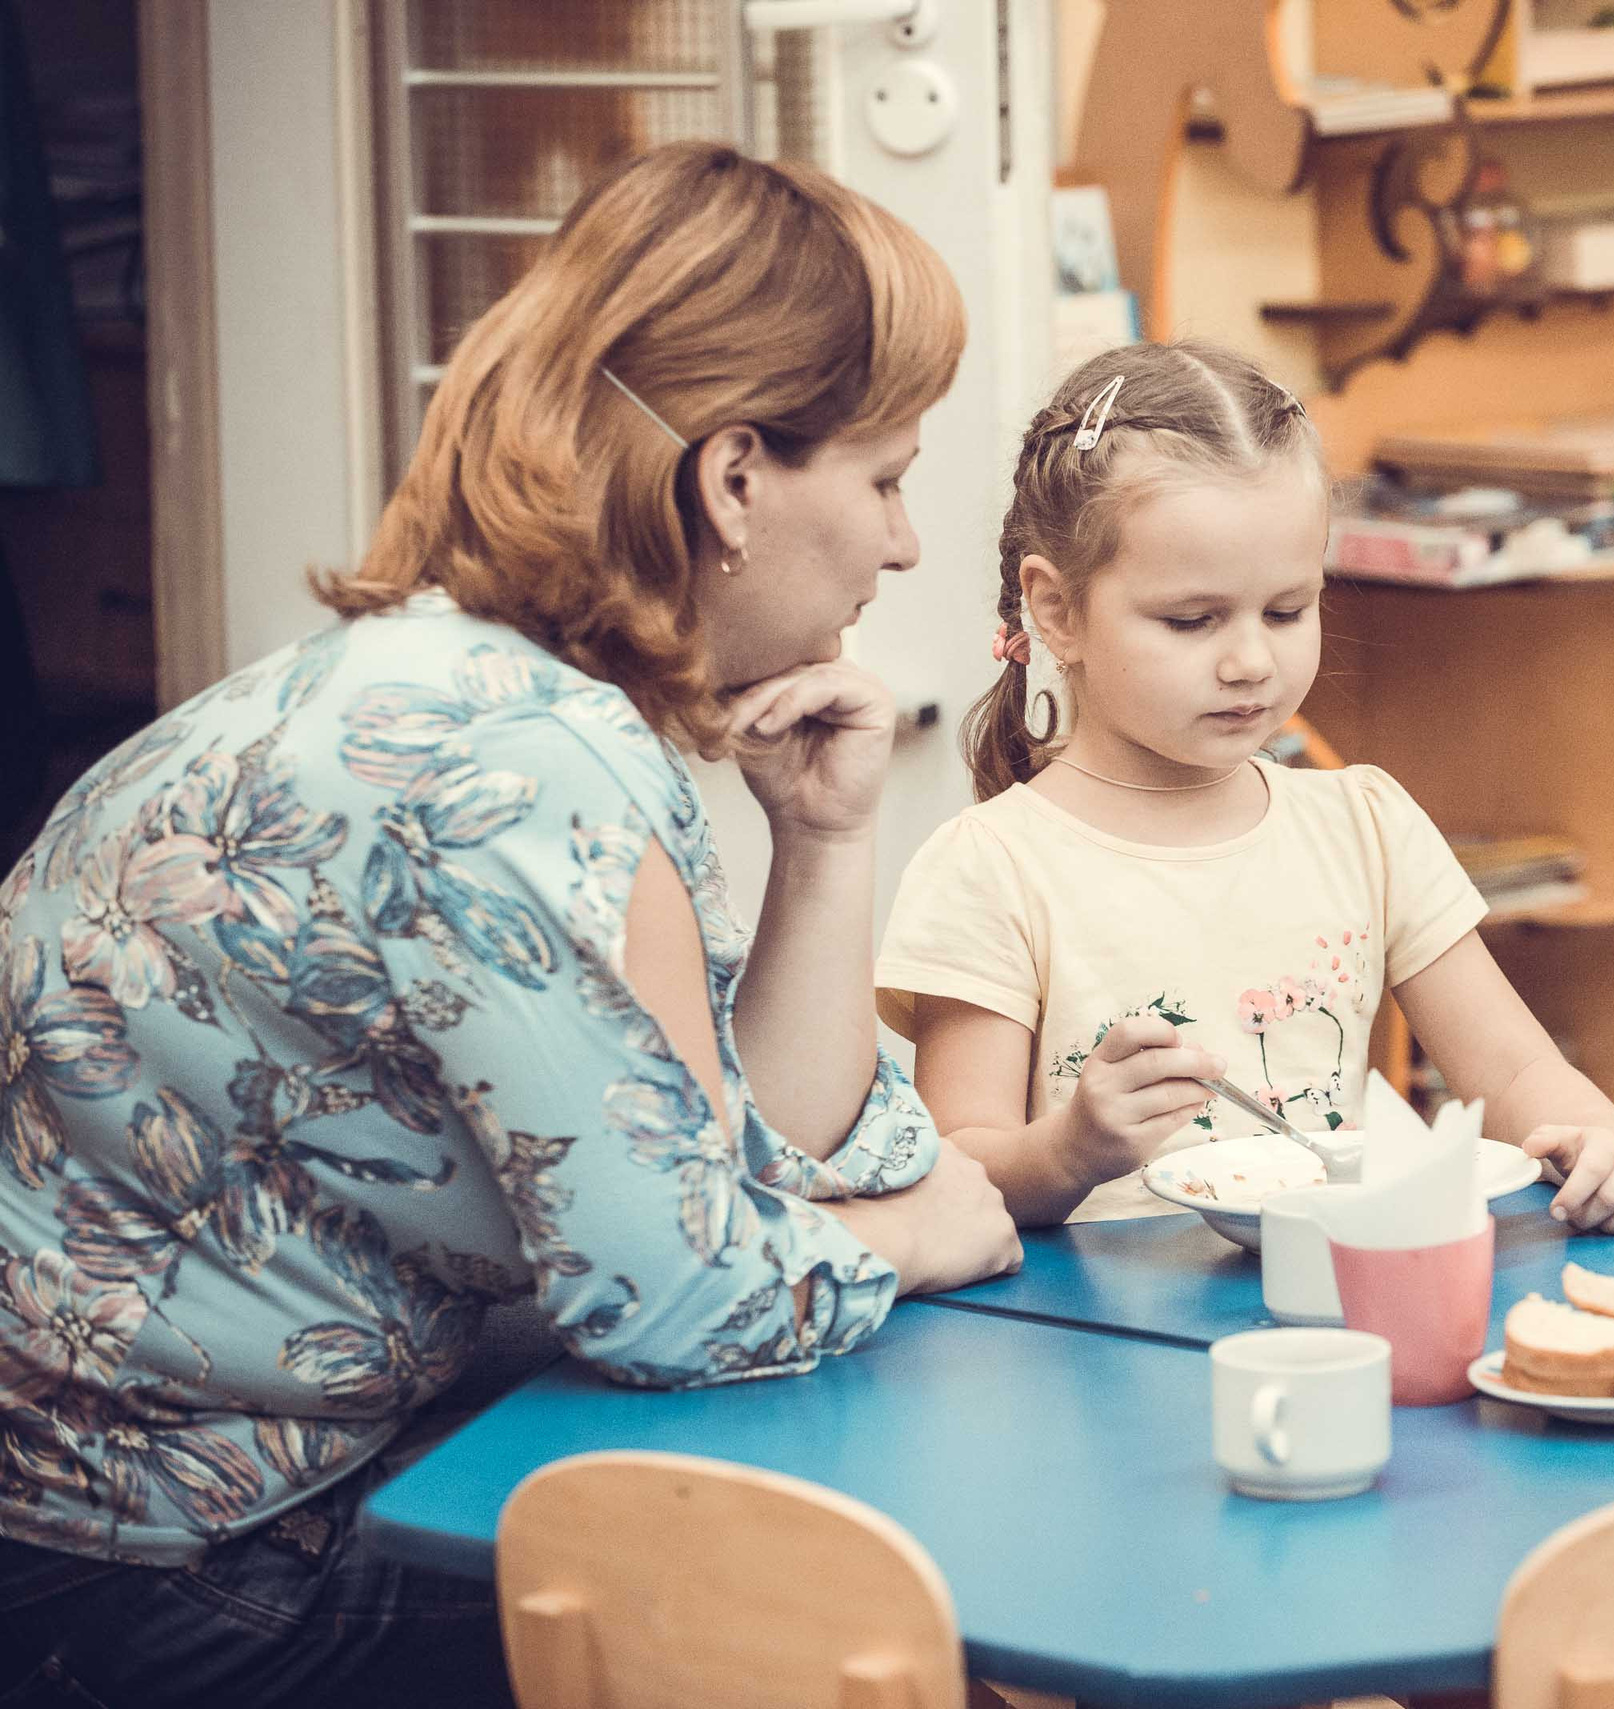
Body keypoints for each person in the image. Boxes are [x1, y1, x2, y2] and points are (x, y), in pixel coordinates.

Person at [0, 141, 1019, 1707]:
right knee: (853, 1633)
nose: (904, 545)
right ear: (735, 476)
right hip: (164, 1576)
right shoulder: (519, 764)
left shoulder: (483, 692)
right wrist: (911, 1239)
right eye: (886, 478)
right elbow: (677, 1303)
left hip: (164, 1529)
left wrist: (821, 842)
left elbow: (754, 1153)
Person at [875, 341, 1614, 1234]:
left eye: (1288, 609)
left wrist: (1608, 1150)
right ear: (1058, 609)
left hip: (1330, 1312)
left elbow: (1515, 1074)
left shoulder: (1365, 825)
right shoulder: (990, 867)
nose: (1252, 661)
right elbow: (962, 1164)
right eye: (1193, 619)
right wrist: (1072, 1148)